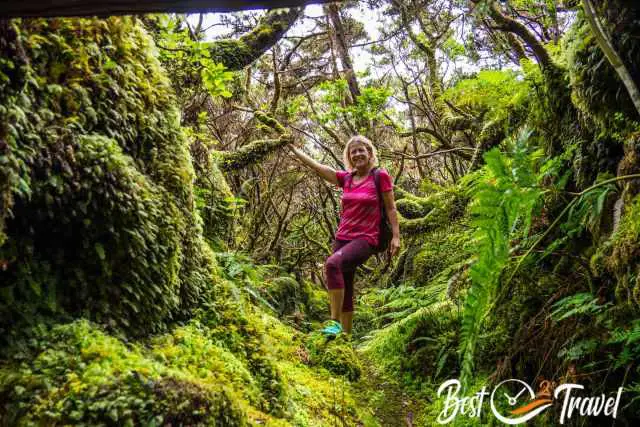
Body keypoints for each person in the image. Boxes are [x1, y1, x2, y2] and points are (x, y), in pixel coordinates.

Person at [288, 135, 400, 336]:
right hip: (342, 237)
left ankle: (334, 323)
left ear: (370, 153)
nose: (357, 154)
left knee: (332, 265)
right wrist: (295, 151)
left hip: (366, 237)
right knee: (346, 283)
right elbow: (319, 167)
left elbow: (391, 208)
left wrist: (396, 236)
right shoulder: (347, 179)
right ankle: (346, 338)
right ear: (349, 156)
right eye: (353, 151)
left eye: (361, 150)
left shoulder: (380, 176)